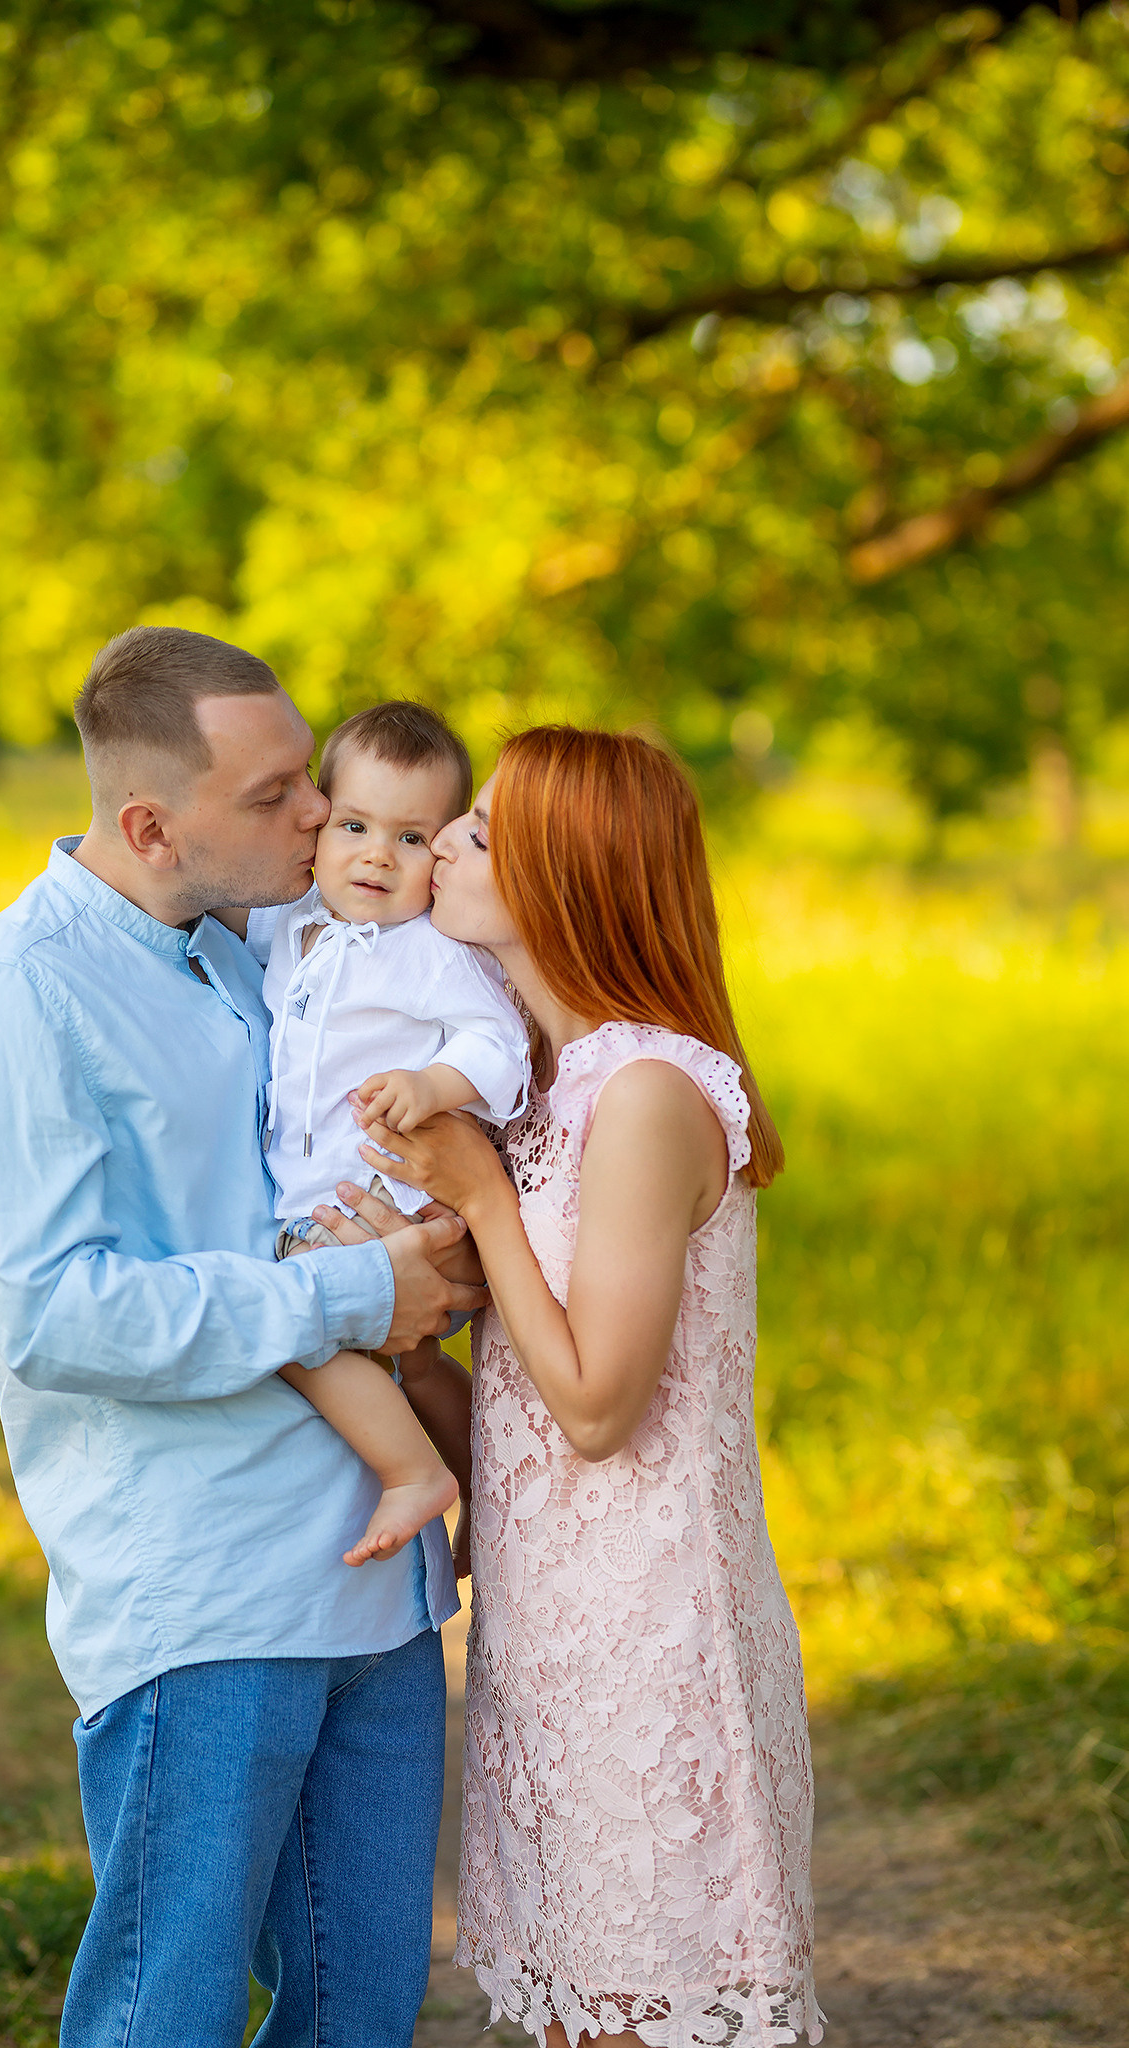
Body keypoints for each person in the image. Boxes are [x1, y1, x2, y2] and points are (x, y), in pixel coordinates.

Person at [0, 625, 487, 2048]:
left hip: (377, 1585)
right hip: (207, 1603)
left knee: (361, 2018)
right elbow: (54, 1311)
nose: (317, 815)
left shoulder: (261, 950)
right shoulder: (23, 1000)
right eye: (281, 791)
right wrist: (356, 1294)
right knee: (164, 2017)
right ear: (153, 823)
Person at [325, 727, 821, 2048]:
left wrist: (479, 1197)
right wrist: (406, 1339)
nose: (438, 848)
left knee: (633, 2012)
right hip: (550, 1622)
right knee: (565, 2012)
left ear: (563, 877)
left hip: (647, 1631)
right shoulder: (548, 1086)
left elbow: (597, 1408)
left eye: (478, 833)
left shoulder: (648, 1093)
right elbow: (520, 1409)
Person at [252, 700, 530, 1567]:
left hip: (379, 1197)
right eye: (355, 825)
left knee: (297, 1326)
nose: (377, 853)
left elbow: (500, 1044)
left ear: (441, 855)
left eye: (411, 838)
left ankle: (414, 1473)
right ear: (318, 825)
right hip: (315, 1193)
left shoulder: (428, 951)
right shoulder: (290, 927)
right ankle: (487, 1496)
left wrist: (431, 1082)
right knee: (402, 1363)